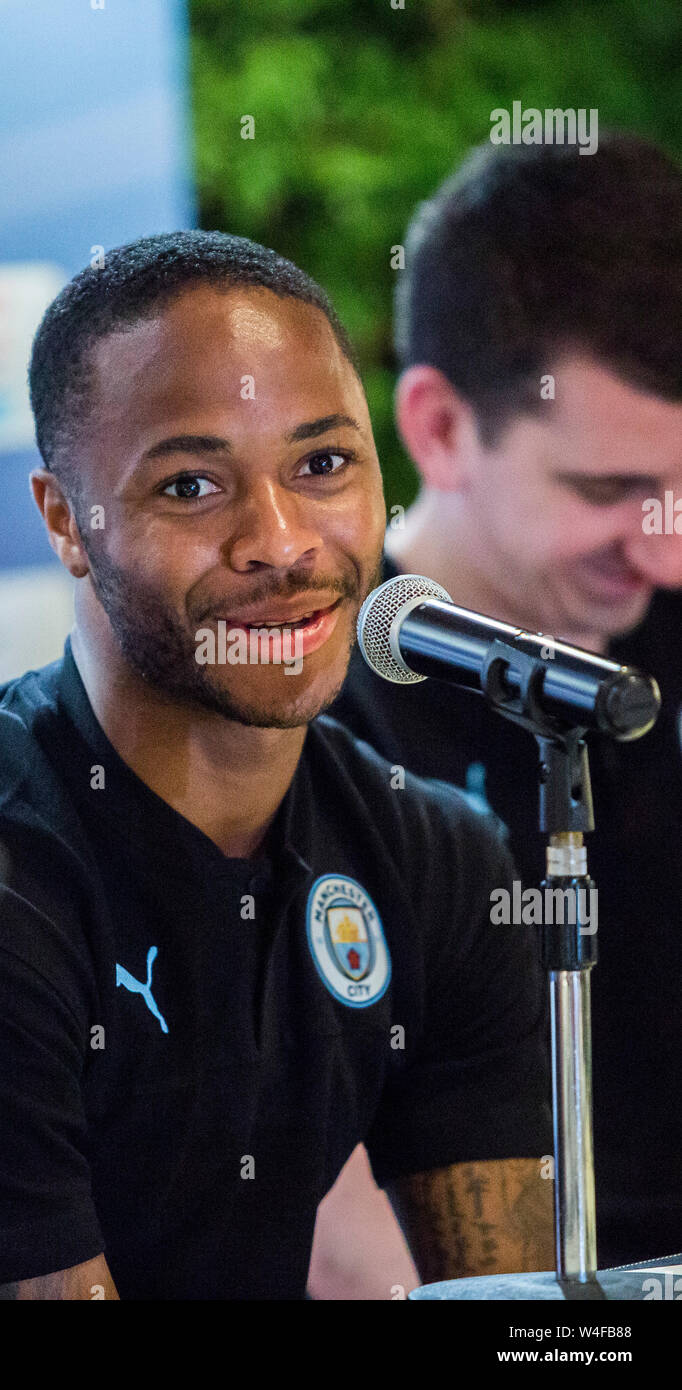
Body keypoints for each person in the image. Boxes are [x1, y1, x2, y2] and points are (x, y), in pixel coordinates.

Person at [0, 232, 554, 1300]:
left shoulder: (436, 858)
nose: (281, 541)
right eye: (193, 483)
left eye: (321, 464)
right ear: (67, 522)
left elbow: (515, 1321)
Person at [326, 133, 682, 1288]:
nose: (662, 550)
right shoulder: (304, 713)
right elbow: (323, 1222)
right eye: (607, 491)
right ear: (435, 427)